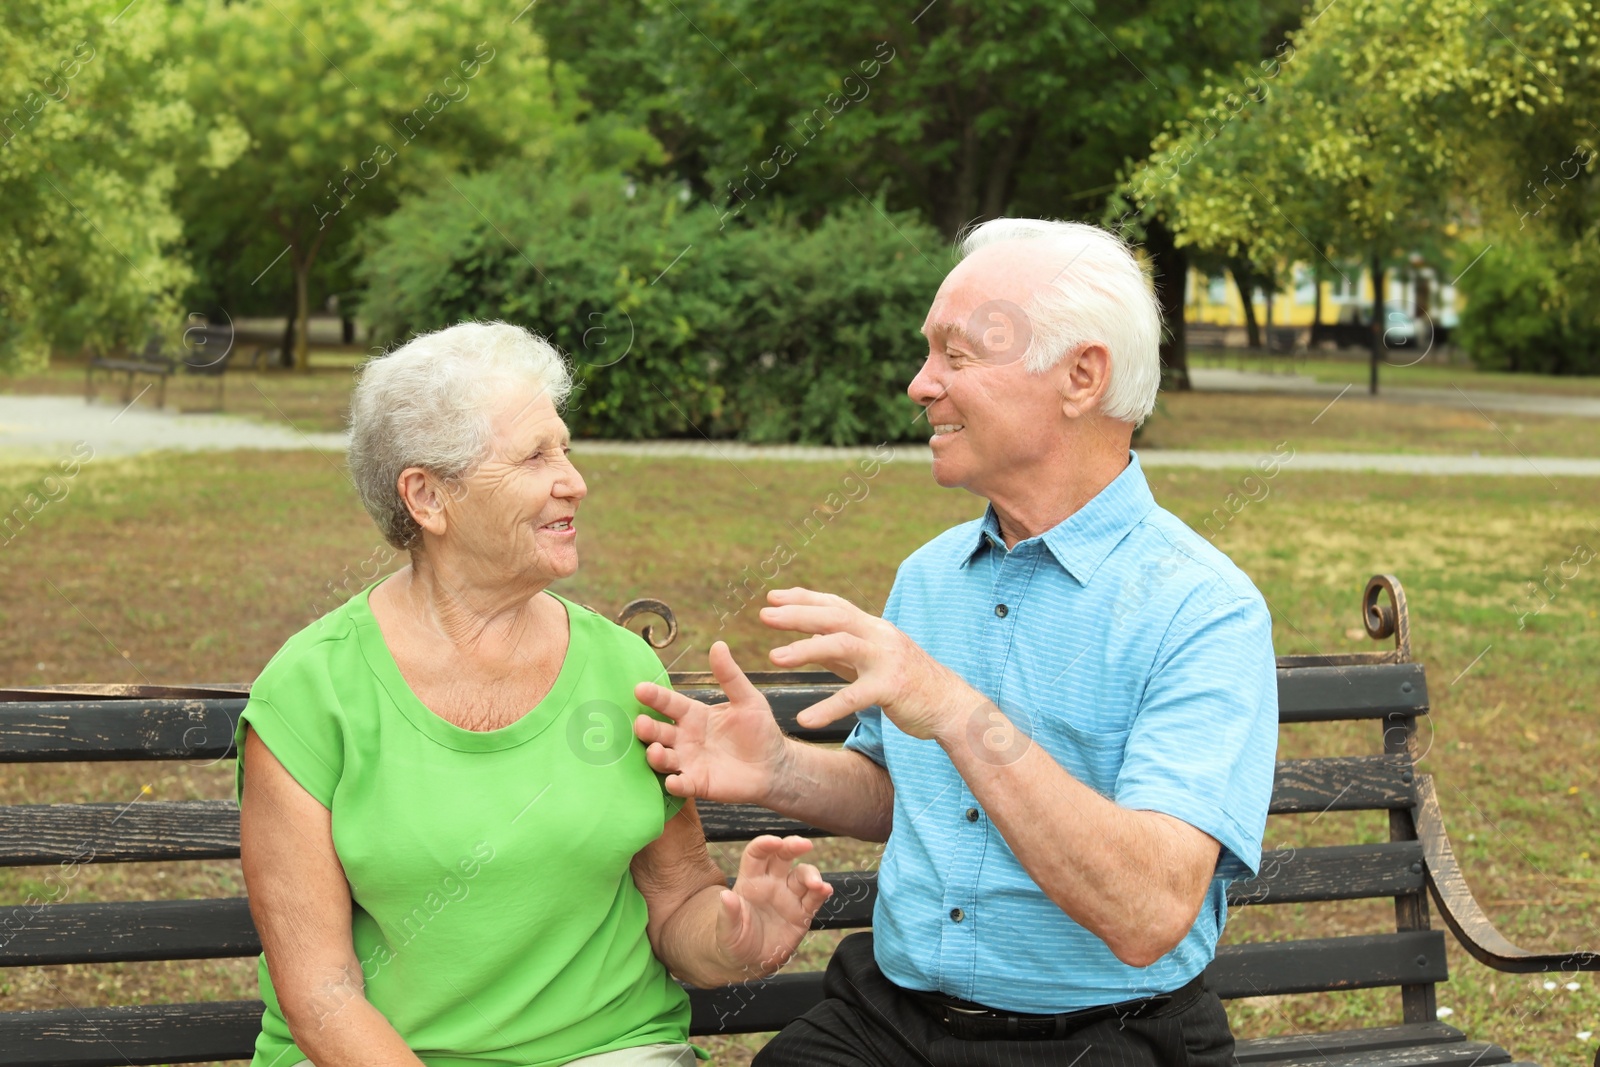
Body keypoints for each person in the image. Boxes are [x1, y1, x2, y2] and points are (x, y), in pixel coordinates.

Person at [634, 219, 1279, 1066]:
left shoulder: (1202, 607)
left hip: (1103, 1036)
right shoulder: (933, 575)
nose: (919, 384)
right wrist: (780, 770)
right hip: (890, 1018)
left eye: (957, 355)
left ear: (1082, 376)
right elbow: (914, 795)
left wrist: (951, 705)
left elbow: (1149, 911)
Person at [236, 321, 832, 1067]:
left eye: (566, 449)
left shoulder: (621, 670)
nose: (573, 480)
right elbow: (322, 993)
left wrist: (738, 936)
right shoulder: (312, 691)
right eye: (534, 456)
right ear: (427, 497)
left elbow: (678, 903)